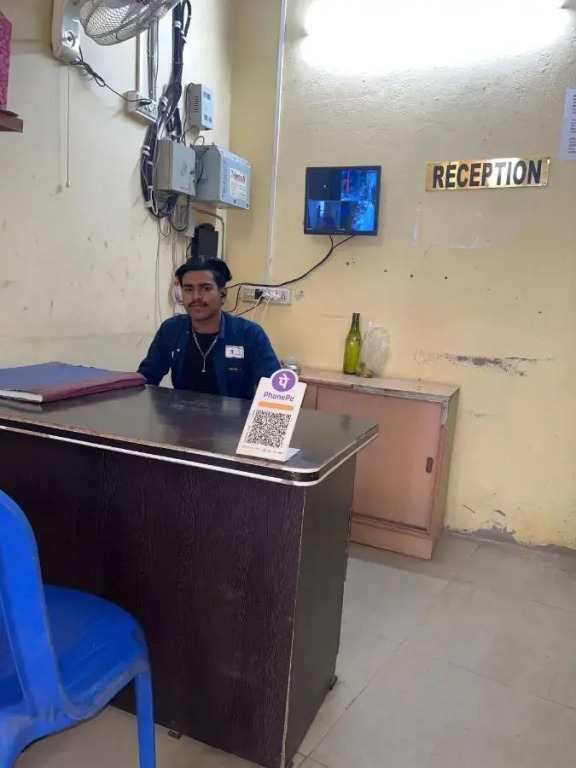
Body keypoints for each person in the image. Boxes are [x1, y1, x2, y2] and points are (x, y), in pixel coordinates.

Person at [138, 256, 280, 399]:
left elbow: (275, 393)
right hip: (181, 412)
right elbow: (146, 379)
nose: (196, 296)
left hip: (235, 414)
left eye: (205, 288)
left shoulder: (250, 334)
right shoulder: (171, 330)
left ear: (222, 294)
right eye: (188, 289)